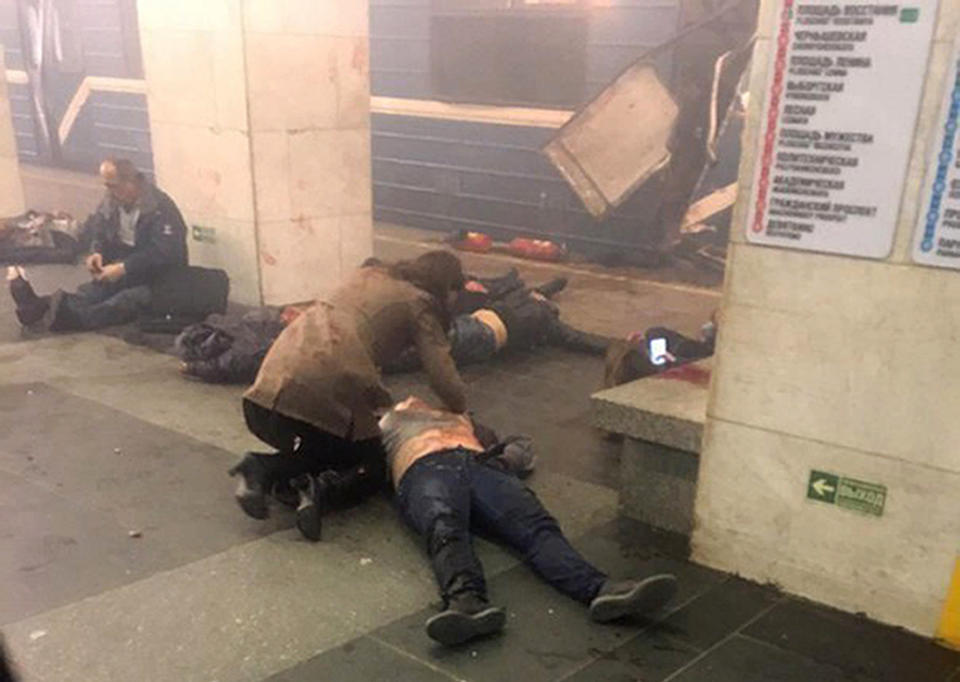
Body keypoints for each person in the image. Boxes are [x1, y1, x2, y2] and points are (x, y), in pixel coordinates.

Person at [379, 396, 679, 646]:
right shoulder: (388, 423)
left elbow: (521, 446)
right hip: (424, 468)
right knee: (444, 526)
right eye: (405, 399)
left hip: (480, 465)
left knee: (535, 526)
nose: (412, 399)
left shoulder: (461, 417)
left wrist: (502, 460)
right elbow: (361, 459)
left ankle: (601, 589)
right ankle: (466, 601)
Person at [231, 251, 468, 541]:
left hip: (268, 390)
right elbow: (441, 372)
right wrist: (459, 409)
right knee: (370, 463)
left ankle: (261, 467)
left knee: (333, 446)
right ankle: (320, 488)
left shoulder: (369, 273)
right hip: (324, 384)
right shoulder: (420, 303)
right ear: (449, 287)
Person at [8, 158, 188, 331]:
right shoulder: (111, 202)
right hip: (128, 267)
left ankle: (59, 317)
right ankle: (43, 307)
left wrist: (124, 267)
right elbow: (98, 229)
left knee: (123, 301)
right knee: (93, 292)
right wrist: (97, 252)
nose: (109, 191)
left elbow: (163, 253)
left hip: (160, 276)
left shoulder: (160, 208)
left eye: (113, 186)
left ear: (130, 182)